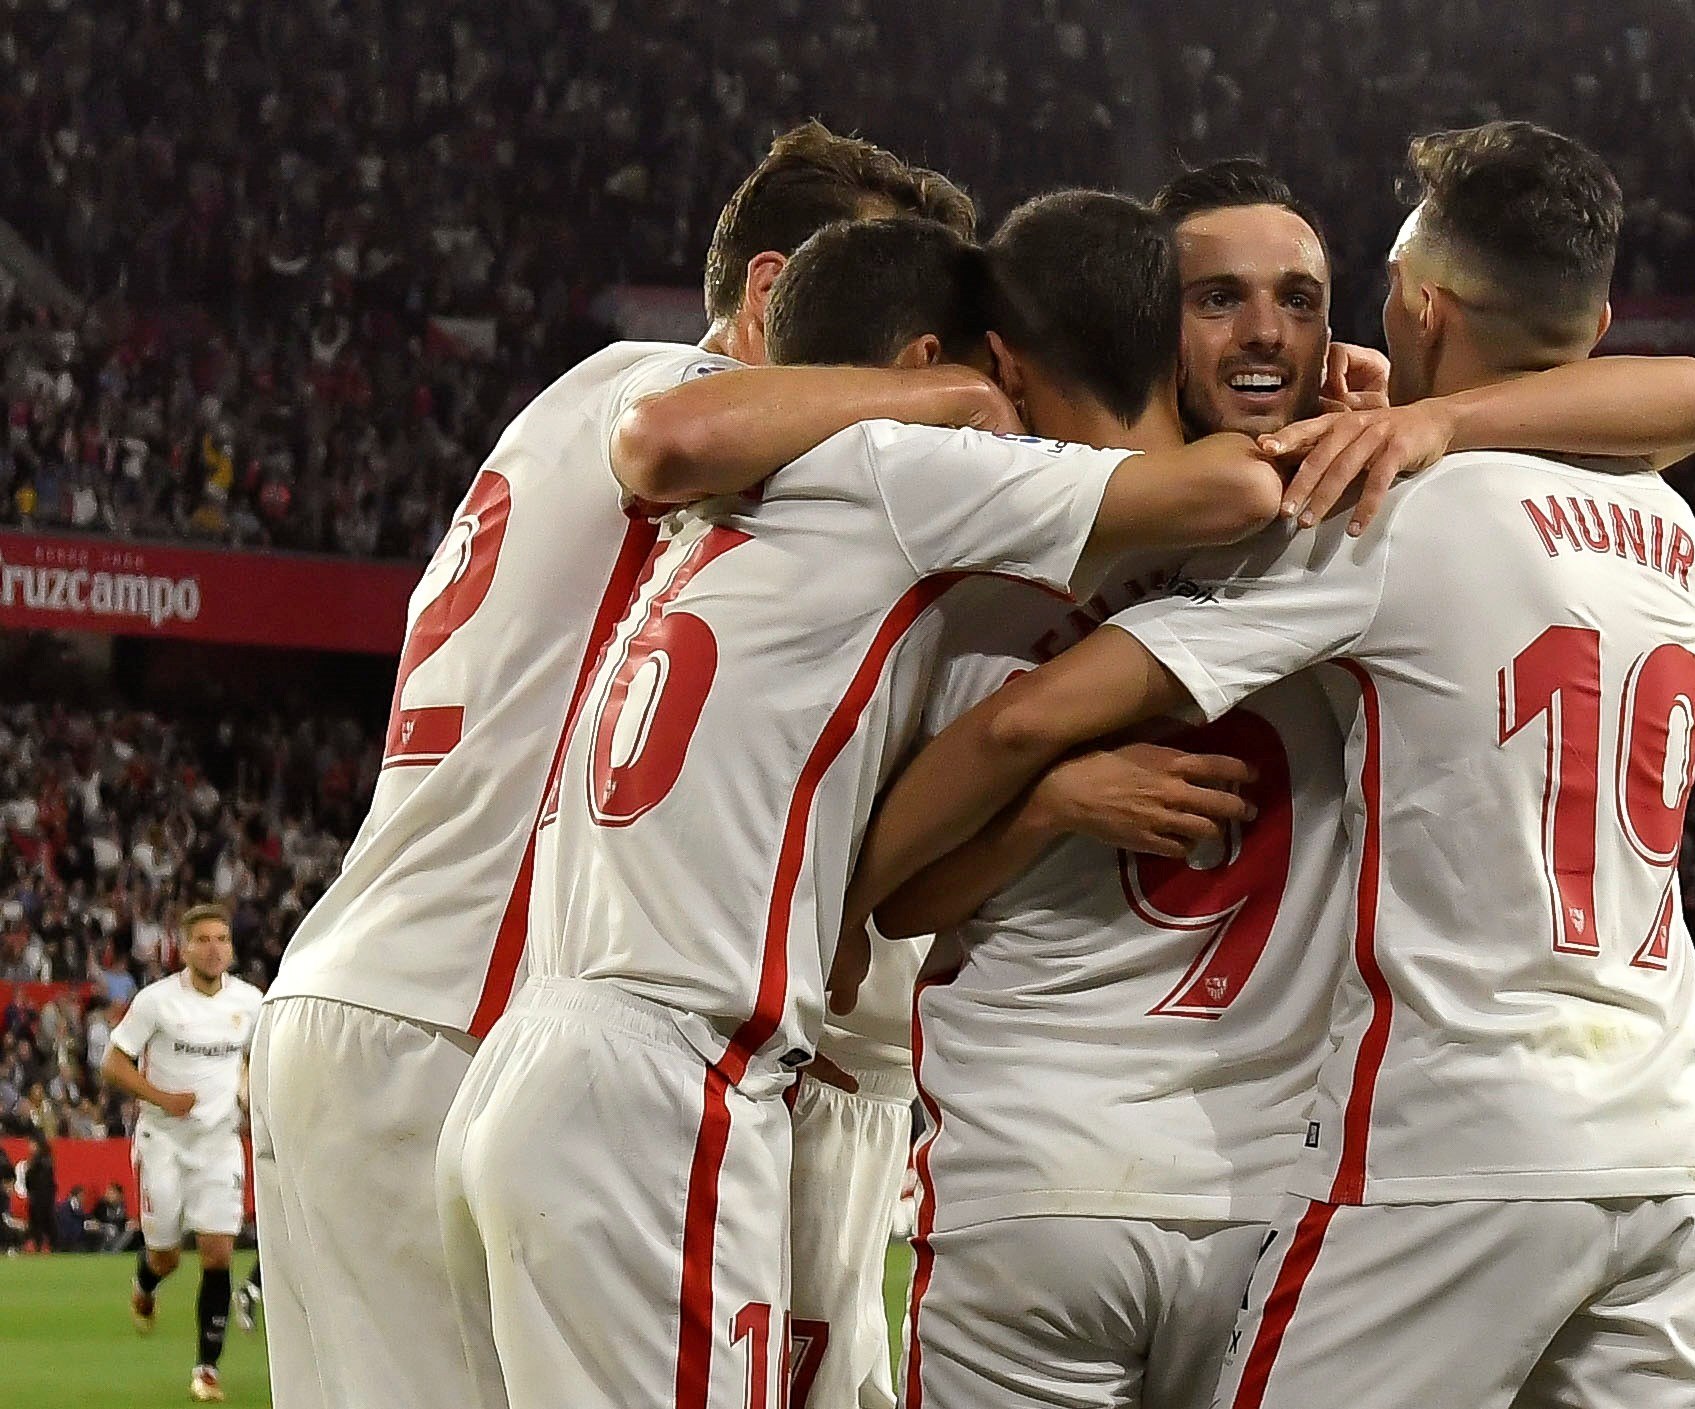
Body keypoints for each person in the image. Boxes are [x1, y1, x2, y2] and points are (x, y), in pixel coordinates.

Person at [840, 122, 1695, 1409]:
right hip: (1640, 1126)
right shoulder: (1663, 524)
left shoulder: (1352, 509)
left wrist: (1419, 428)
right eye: (1219, 299)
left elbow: (1015, 728)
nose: (1267, 330)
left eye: (1305, 301)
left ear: (1388, 320)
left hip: (1341, 1166)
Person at [436, 202, 1309, 1409]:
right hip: (664, 1078)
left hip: (542, 1051)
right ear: (935, 367)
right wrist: (1353, 413)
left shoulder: (761, 486)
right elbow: (1231, 493)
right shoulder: (910, 466)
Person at [246, 121, 990, 1409]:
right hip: (460, 1017)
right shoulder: (663, 394)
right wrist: (948, 403)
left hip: (358, 996)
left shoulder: (560, 416)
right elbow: (676, 439)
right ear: (769, 291)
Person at [102, 903, 265, 1404]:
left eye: (222, 939)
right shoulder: (156, 1002)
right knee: (167, 1256)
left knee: (217, 1254)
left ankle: (206, 1370)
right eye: (204, 940)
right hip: (164, 1142)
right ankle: (145, 1284)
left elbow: (260, 1062)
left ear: (231, 948)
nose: (214, 948)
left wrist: (252, 1098)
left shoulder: (251, 1002)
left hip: (219, 1144)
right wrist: (163, 1099)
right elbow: (113, 1063)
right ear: (184, 947)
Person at [23, 1133, 56, 1254]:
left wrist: (29, 1171)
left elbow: (31, 1181)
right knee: (43, 1223)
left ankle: (41, 1244)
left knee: (39, 1223)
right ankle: (43, 1245)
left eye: (31, 1144)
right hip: (42, 1198)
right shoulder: (47, 1161)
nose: (29, 1147)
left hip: (40, 1199)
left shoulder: (39, 1163)